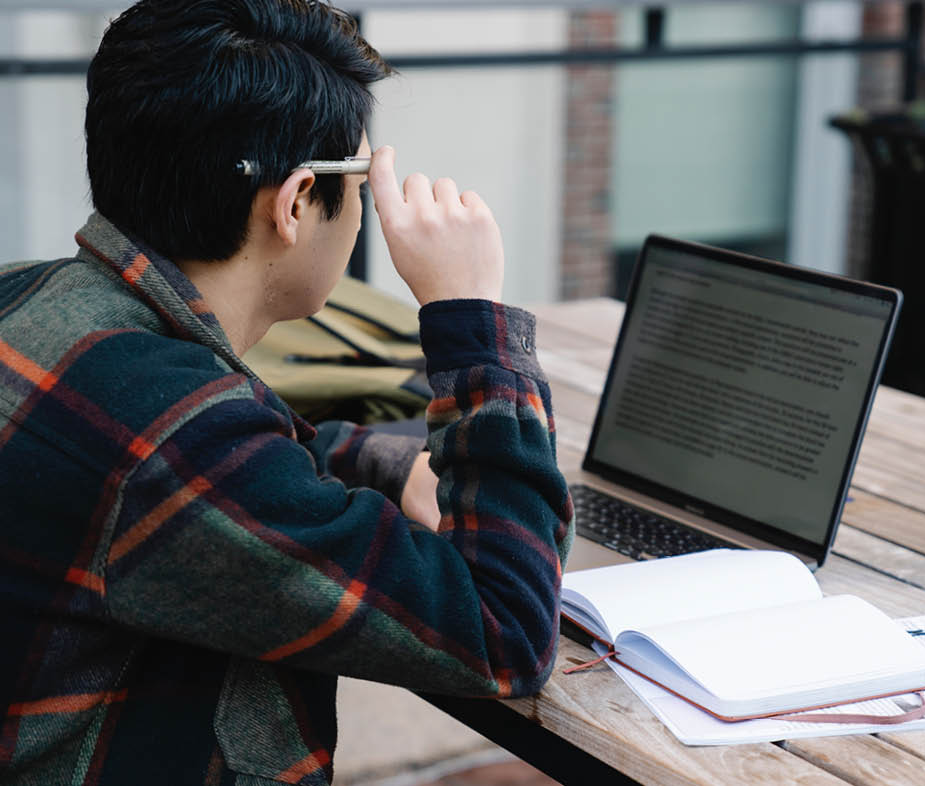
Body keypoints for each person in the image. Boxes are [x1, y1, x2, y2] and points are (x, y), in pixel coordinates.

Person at [0, 2, 573, 783]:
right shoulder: (175, 439)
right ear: (298, 201)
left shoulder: (28, 299)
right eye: (365, 179)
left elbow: (211, 466)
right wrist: (471, 319)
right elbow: (504, 636)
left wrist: (380, 465)